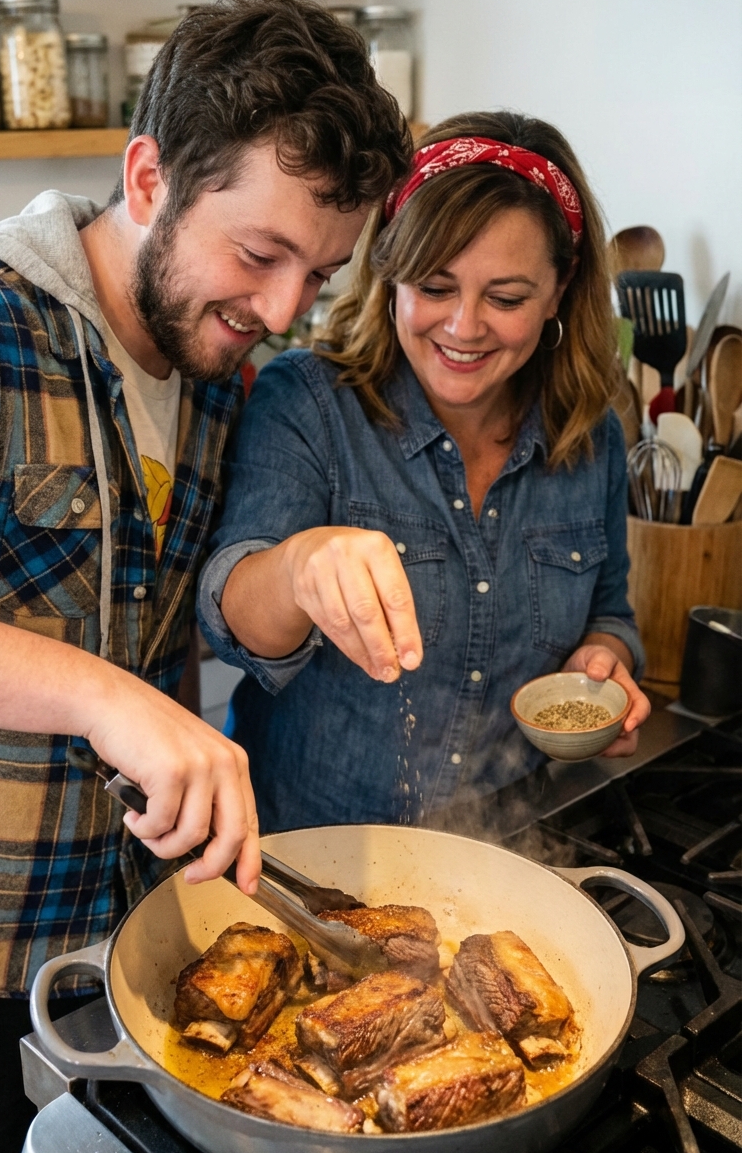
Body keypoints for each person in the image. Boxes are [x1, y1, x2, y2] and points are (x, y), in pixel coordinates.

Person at [0, 0, 410, 1153]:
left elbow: (162, 628)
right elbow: (110, 684)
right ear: (146, 176)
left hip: (131, 947)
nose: (282, 311)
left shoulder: (217, 367)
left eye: (320, 275)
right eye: (259, 254)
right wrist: (103, 700)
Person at [197, 111, 651, 835]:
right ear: (391, 272)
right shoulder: (310, 403)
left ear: (559, 291)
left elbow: (611, 612)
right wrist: (298, 568)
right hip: (312, 855)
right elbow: (231, 616)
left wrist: (605, 659)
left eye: (506, 298)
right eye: (435, 287)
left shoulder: (590, 435)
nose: (464, 327)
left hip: (506, 849)